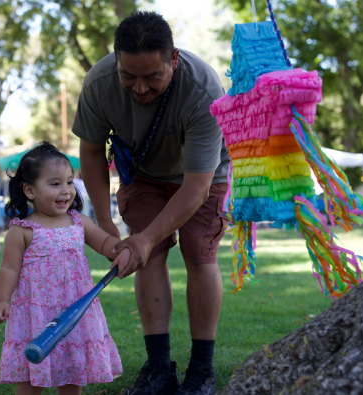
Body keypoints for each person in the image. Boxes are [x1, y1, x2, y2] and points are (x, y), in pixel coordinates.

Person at [72, 11, 231, 395]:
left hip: (203, 176)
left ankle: (201, 370)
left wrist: (142, 238)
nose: (140, 88)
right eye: (129, 76)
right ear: (116, 61)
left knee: (198, 253)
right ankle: (159, 368)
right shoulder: (98, 83)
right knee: (151, 254)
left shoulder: (203, 89)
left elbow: (195, 188)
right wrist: (107, 224)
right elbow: (91, 154)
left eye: (152, 76)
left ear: (173, 59)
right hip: (141, 174)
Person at [0, 142, 130, 394]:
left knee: (71, 367)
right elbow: (9, 269)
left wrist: (123, 250)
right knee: (29, 371)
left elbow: (104, 242)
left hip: (73, 309)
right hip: (34, 313)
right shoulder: (21, 230)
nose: (66, 191)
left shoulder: (79, 222)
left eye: (69, 182)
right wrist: (2, 300)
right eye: (55, 184)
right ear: (29, 190)